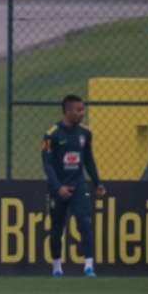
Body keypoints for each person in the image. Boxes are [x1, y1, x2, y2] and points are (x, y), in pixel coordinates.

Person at [42, 94, 106, 278]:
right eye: (79, 110)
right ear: (68, 111)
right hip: (58, 188)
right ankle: (57, 268)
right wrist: (58, 187)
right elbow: (47, 164)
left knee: (85, 223)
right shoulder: (51, 134)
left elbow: (88, 160)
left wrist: (97, 183)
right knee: (56, 229)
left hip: (79, 185)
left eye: (83, 109)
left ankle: (89, 267)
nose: (82, 113)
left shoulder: (85, 133)